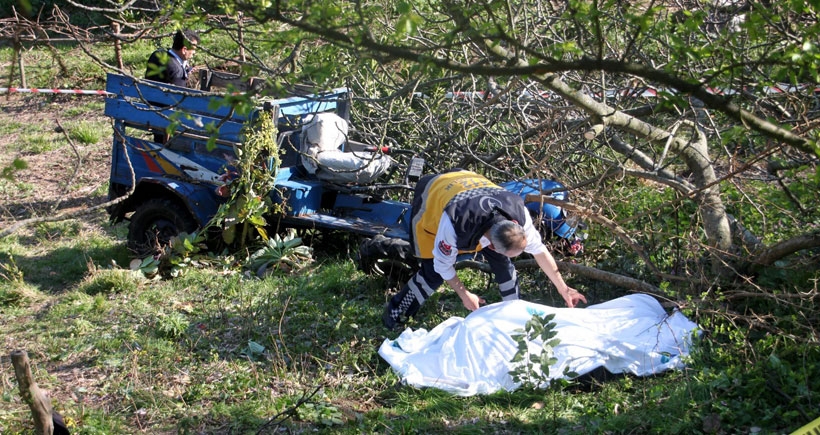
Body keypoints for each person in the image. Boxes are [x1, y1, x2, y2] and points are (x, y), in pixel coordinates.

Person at [383, 169, 587, 329]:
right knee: (432, 273)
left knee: (505, 267)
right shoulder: (454, 223)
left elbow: (540, 251)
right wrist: (465, 294)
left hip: (467, 180)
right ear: (491, 244)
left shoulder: (519, 215)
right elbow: (443, 264)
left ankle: (514, 319)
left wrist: (564, 288)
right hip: (434, 194)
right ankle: (396, 314)